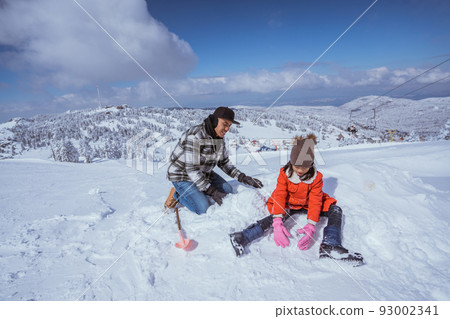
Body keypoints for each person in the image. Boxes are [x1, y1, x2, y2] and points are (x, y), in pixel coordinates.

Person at [229, 134, 364, 265]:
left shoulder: (316, 178)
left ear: (311, 165)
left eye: (304, 167)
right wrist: (277, 222)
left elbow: (316, 200)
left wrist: (311, 225)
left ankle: (331, 245)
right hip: (290, 203)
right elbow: (280, 195)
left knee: (335, 210)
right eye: (297, 166)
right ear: (291, 162)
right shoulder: (284, 174)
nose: (300, 170)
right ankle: (243, 236)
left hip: (307, 204)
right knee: (278, 215)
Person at [167, 106, 263, 215]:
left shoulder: (218, 138)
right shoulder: (195, 136)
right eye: (225, 124)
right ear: (214, 120)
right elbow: (191, 170)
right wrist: (212, 191)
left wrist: (243, 178)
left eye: (229, 126)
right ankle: (178, 195)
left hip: (203, 172)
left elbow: (224, 162)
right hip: (182, 175)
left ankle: (199, 191)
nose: (227, 129)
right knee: (203, 208)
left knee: (228, 190)